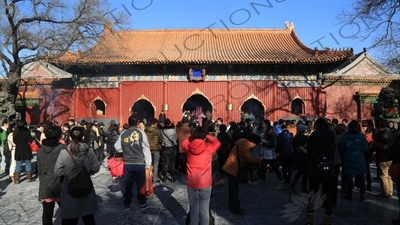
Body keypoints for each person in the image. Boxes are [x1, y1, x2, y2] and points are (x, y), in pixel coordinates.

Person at [54, 126, 100, 225]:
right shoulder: (89, 151)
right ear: (83, 137)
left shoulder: (64, 152)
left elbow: (57, 171)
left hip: (69, 188)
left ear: (70, 138)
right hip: (86, 185)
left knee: (70, 219)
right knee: (88, 218)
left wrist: (68, 173)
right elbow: (96, 168)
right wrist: (87, 171)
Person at [181, 126, 221, 225]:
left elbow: (184, 142)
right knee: (204, 209)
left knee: (194, 209)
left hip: (192, 182)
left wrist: (193, 136)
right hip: (205, 182)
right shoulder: (208, 148)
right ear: (205, 136)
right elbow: (217, 143)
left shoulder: (188, 147)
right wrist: (207, 135)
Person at [114, 115, 152, 210]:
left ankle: (127, 203)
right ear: (137, 123)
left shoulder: (124, 133)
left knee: (128, 184)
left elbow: (117, 147)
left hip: (128, 163)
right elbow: (146, 149)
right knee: (140, 184)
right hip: (139, 163)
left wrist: (125, 149)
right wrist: (148, 163)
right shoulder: (141, 133)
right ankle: (142, 203)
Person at [305, 118, 336, 225]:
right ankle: (328, 219)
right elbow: (334, 150)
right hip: (328, 168)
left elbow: (310, 153)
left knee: (313, 194)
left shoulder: (314, 135)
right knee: (327, 195)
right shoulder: (331, 134)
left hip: (315, 168)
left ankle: (309, 220)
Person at [222, 133, 262, 215]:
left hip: (232, 168)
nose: (255, 146)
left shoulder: (242, 143)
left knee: (234, 189)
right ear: (253, 142)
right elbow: (249, 159)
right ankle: (235, 208)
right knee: (234, 190)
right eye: (255, 144)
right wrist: (259, 159)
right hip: (232, 169)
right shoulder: (244, 146)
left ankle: (234, 206)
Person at [37, 125, 64, 225]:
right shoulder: (62, 148)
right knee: (66, 211)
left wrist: (43, 180)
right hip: (60, 183)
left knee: (47, 212)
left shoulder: (40, 151)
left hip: (46, 185)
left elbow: (39, 169)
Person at [340, 120, 369, 201]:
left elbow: (342, 147)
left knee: (349, 177)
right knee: (361, 177)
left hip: (348, 157)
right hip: (359, 158)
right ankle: (362, 194)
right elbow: (365, 148)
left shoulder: (345, 136)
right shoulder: (361, 136)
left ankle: (349, 194)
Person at [371, 118, 394, 198]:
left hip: (383, 157)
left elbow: (377, 147)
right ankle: (390, 191)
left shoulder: (380, 135)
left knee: (383, 176)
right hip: (390, 157)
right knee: (389, 175)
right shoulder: (390, 133)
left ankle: (385, 192)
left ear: (379, 126)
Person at [145, 118, 162, 183]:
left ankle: (148, 177)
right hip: (155, 148)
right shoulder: (157, 130)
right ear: (156, 123)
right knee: (156, 163)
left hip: (148, 148)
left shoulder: (146, 130)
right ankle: (155, 178)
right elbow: (160, 139)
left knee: (149, 163)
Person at [160, 118, 178, 182]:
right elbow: (175, 139)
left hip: (165, 147)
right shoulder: (173, 130)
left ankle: (164, 177)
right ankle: (172, 177)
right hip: (172, 148)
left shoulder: (162, 131)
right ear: (170, 123)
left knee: (165, 164)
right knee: (172, 164)